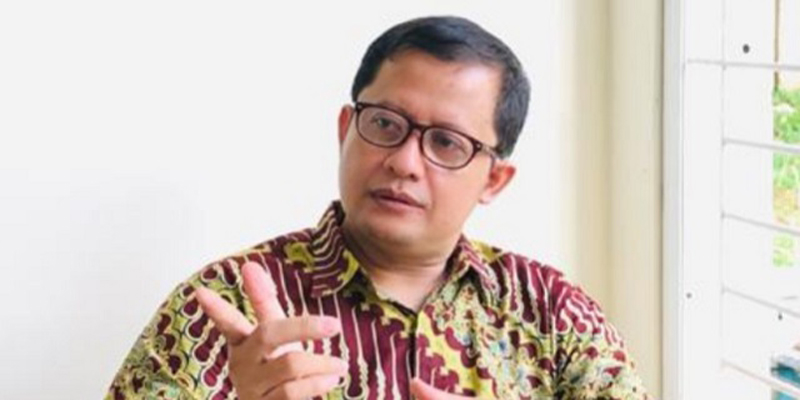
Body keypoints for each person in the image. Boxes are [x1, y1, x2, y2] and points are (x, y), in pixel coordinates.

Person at [106, 16, 649, 400]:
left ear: (494, 180)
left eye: (446, 143)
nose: (405, 162)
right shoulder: (223, 307)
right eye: (385, 124)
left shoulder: (552, 314)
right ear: (346, 129)